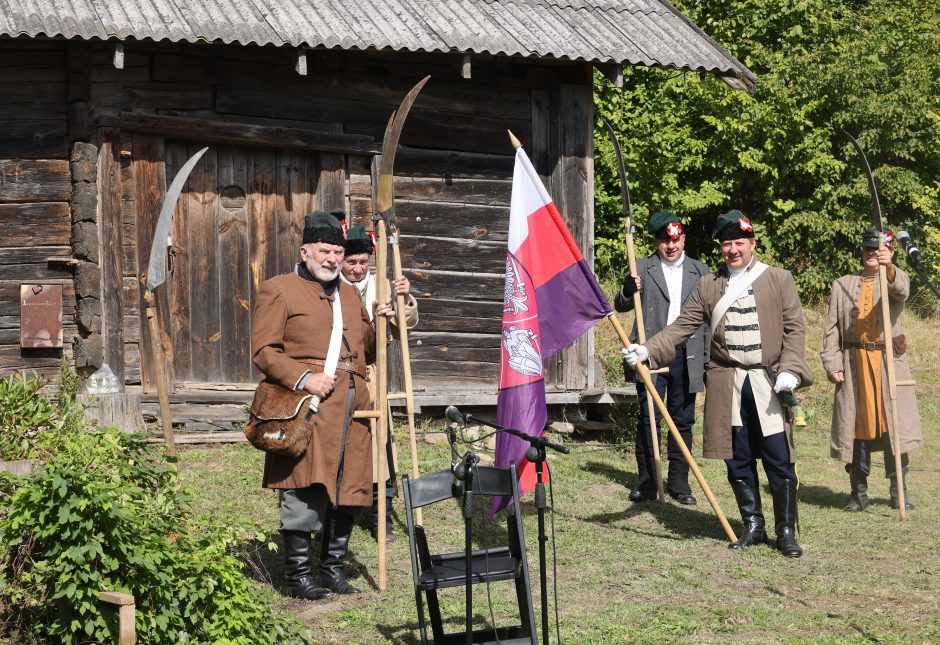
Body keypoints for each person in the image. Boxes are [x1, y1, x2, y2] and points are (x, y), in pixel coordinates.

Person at [623, 210, 813, 558]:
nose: (733, 250)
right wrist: (647, 350)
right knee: (737, 457)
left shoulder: (778, 278)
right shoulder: (710, 285)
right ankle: (753, 525)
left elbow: (795, 329)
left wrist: (791, 369)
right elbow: (683, 326)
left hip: (766, 381)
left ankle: (786, 531)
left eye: (739, 242)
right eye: (727, 243)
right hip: (727, 382)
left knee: (778, 457)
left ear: (752, 243)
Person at [252, 211, 395, 600]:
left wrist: (382, 320)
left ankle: (331, 569)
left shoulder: (349, 293)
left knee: (351, 487)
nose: (333, 258)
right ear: (306, 251)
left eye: (337, 251)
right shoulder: (278, 289)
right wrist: (304, 378)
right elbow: (264, 351)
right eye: (325, 251)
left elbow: (367, 347)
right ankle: (298, 575)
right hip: (309, 405)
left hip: (354, 404)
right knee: (304, 485)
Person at [820, 227, 922, 511]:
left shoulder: (890, 280)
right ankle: (858, 493)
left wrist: (890, 266)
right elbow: (831, 332)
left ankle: (898, 491)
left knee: (894, 428)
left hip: (887, 365)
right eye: (867, 249)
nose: (871, 254)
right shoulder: (842, 284)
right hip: (855, 368)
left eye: (877, 250)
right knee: (856, 428)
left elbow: (903, 289)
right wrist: (832, 363)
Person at [614, 211, 710, 505]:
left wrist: (707, 358)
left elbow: (709, 318)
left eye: (675, 239)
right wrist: (627, 291)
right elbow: (620, 305)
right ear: (657, 242)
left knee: (683, 420)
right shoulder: (641, 267)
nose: (671, 246)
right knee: (649, 418)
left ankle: (679, 481)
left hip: (687, 354)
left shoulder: (701, 271)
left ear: (683, 239)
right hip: (650, 351)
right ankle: (647, 478)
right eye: (664, 240)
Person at [340, 224, 418, 542]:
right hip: (340, 380)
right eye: (351, 262)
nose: (358, 269)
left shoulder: (382, 286)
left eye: (363, 262)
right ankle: (334, 513)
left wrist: (403, 300)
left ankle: (380, 516)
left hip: (373, 379)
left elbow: (405, 328)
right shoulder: (328, 287)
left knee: (378, 451)